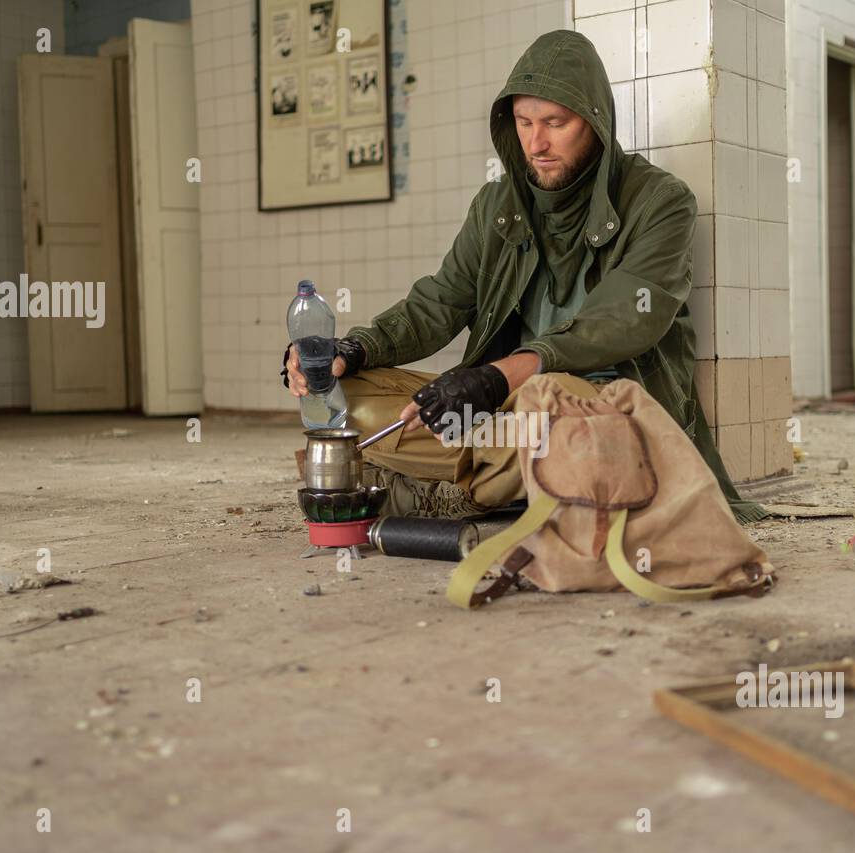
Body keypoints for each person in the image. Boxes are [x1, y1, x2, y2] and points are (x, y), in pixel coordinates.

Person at [284, 29, 765, 524]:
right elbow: (439, 302)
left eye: (556, 123)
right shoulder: (497, 205)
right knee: (348, 394)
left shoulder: (661, 202)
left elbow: (623, 318)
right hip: (503, 419)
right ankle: (504, 482)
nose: (537, 142)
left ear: (596, 122)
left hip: (597, 414)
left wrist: (500, 376)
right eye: (524, 122)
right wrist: (352, 350)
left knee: (545, 408)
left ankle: (461, 488)